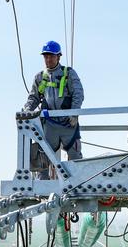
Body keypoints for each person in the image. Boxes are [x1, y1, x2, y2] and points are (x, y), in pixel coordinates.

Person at [21, 41, 84, 176]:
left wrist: (74, 113)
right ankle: (42, 189)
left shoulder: (69, 74)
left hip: (68, 123)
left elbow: (78, 94)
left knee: (75, 155)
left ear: (58, 57)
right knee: (43, 158)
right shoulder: (40, 77)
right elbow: (33, 98)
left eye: (51, 56)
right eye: (46, 56)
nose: (48, 59)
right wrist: (27, 110)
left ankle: (77, 185)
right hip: (49, 125)